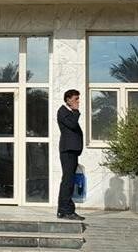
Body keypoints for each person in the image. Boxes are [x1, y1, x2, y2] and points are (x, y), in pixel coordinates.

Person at [57, 89, 84, 220]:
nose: (78, 101)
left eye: (78, 99)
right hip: (67, 151)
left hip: (72, 151)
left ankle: (63, 210)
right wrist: (76, 111)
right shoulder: (63, 111)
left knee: (68, 180)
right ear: (68, 100)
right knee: (68, 181)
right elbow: (72, 125)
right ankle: (67, 211)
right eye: (75, 99)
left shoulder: (69, 112)